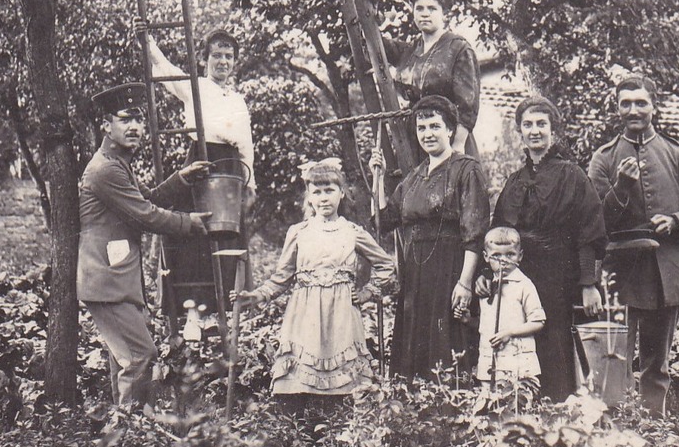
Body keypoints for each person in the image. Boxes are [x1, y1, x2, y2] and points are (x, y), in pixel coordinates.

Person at [587, 74, 679, 418]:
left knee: (656, 366)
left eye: (641, 102)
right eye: (625, 103)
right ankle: (617, 434)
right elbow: (596, 223)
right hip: (621, 277)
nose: (634, 110)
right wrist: (622, 188)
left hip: (665, 274)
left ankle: (653, 432)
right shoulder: (603, 158)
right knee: (615, 362)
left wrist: (675, 221)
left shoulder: (677, 154)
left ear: (653, 107)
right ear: (616, 109)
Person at [77, 83, 213, 407]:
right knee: (142, 355)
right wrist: (190, 223)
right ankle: (131, 433)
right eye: (126, 120)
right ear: (106, 125)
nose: (135, 127)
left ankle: (122, 431)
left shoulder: (116, 164)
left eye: (139, 119)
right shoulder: (106, 169)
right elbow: (146, 215)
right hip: (106, 280)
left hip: (113, 278)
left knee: (123, 359)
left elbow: (145, 200)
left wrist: (181, 179)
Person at [233, 158, 394, 404]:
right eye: (316, 192)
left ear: (342, 193)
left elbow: (386, 265)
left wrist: (367, 292)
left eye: (329, 190)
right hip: (304, 317)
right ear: (309, 196)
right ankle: (299, 433)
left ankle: (343, 433)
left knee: (346, 391)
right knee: (298, 387)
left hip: (341, 317)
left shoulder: (352, 232)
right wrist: (256, 295)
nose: (323, 198)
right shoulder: (299, 232)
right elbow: (281, 278)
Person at [491, 95, 607, 401]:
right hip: (521, 275)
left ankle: (558, 410)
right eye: (527, 125)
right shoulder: (515, 181)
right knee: (521, 337)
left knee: (556, 341)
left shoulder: (572, 175)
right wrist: (485, 273)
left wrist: (589, 283)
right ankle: (522, 407)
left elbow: (590, 232)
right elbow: (498, 231)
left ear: (552, 129)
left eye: (541, 124)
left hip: (561, 275)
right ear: (520, 132)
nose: (535, 131)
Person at [370, 95, 490, 383]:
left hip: (451, 268)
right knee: (416, 340)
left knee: (448, 339)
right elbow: (384, 220)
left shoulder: (466, 169)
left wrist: (465, 282)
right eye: (422, 128)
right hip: (415, 272)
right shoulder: (414, 177)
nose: (427, 134)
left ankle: (450, 411)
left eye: (435, 126)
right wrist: (379, 177)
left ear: (450, 129)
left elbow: (475, 232)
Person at [144, 27, 256, 197]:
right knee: (200, 216)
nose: (223, 62)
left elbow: (246, 146)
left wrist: (250, 185)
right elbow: (166, 68)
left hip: (232, 167)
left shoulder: (237, 100)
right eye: (217, 55)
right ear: (205, 60)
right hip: (204, 159)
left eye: (228, 56)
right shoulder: (196, 87)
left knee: (229, 220)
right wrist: (146, 40)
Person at [385, 0, 480, 155]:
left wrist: (457, 146)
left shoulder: (458, 49)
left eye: (432, 8)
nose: (425, 14)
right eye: (419, 8)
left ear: (444, 13)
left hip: (449, 140)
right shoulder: (408, 50)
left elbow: (467, 105)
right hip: (415, 141)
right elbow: (372, 43)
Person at [472, 227, 546, 412]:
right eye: (496, 255)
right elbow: (485, 325)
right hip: (490, 360)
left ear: (520, 256)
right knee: (490, 404)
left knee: (516, 405)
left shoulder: (524, 285)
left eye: (510, 255)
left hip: (517, 359)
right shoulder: (486, 286)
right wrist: (467, 320)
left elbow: (539, 321)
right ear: (486, 257)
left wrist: (510, 333)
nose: (503, 261)